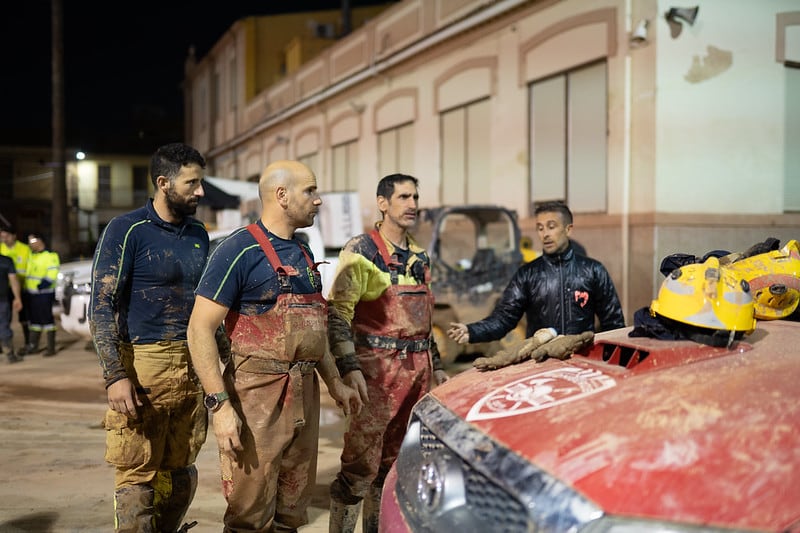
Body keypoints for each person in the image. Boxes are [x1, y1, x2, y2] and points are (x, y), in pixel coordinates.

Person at [186, 159, 362, 532]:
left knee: (291, 512)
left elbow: (314, 330)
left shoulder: (302, 253)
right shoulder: (238, 250)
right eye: (310, 191)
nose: (318, 200)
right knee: (249, 516)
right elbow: (199, 330)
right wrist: (219, 407)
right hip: (255, 402)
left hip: (304, 395)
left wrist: (335, 384)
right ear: (281, 195)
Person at [89, 142, 222, 532]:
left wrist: (225, 361)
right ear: (163, 183)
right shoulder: (126, 229)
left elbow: (208, 306)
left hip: (192, 365)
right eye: (191, 183)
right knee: (137, 475)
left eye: (201, 182)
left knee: (181, 473)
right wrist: (115, 374)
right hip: (143, 368)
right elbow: (100, 305)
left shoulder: (198, 233)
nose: (200, 192)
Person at [326, 173, 450, 533]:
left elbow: (425, 321)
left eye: (415, 196)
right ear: (383, 203)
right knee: (359, 469)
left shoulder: (419, 257)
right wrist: (349, 369)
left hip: (417, 376)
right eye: (403, 197)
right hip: (376, 377)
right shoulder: (361, 251)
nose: (413, 204)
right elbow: (339, 315)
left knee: (397, 467)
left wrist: (437, 367)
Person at [448, 200, 625, 346]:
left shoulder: (594, 271)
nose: (545, 234)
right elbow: (503, 319)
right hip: (538, 367)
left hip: (582, 366)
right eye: (540, 228)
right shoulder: (527, 275)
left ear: (568, 229)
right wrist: (471, 331)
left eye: (551, 226)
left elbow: (613, 325)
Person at [18, 233, 59, 356]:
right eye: (29, 240)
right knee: (34, 321)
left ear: (41, 241)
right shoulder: (32, 255)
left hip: (44, 293)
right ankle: (33, 346)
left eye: (33, 240)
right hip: (31, 294)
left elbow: (52, 273)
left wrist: (42, 285)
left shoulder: (50, 256)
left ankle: (51, 348)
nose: (31, 243)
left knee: (47, 320)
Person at [0, 225, 31, 348]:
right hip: (5, 289)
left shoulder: (24, 249)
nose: (4, 239)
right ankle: (4, 347)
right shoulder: (1, 249)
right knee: (4, 317)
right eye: (2, 237)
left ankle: (28, 342)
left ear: (14, 236)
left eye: (6, 236)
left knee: (24, 317)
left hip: (23, 287)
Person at [0, 252, 23, 362]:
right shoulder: (6, 261)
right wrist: (17, 298)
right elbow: (13, 280)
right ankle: (9, 354)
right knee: (4, 326)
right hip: (2, 300)